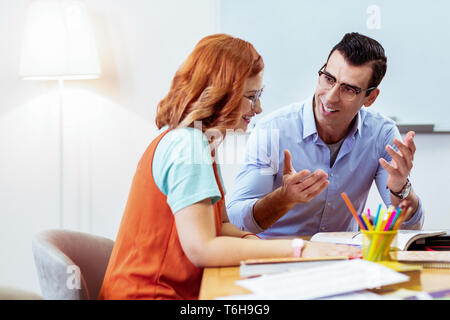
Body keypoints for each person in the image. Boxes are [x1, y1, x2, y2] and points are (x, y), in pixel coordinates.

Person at [98, 34, 361, 300]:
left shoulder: (195, 142)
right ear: (221, 94)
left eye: (259, 95)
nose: (258, 108)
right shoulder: (187, 147)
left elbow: (217, 225)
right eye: (250, 96)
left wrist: (252, 242)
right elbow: (202, 248)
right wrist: (298, 250)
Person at [227, 32, 424, 238]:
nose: (330, 97)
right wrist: (283, 198)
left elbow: (409, 229)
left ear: (370, 97)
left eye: (349, 89)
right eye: (329, 79)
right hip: (278, 256)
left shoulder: (382, 134)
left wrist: (401, 188)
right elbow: (237, 222)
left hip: (341, 259)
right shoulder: (272, 130)